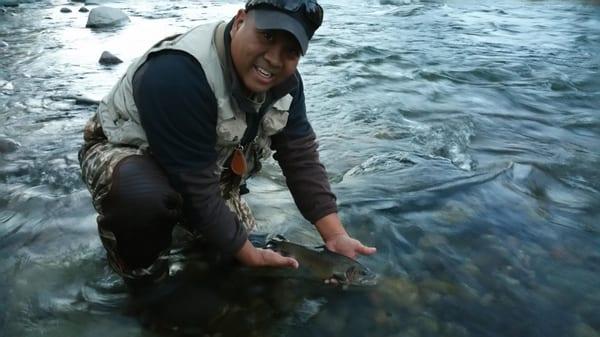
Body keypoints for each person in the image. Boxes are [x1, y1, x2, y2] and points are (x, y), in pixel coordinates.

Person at [78, 0, 376, 285]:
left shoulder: (287, 85)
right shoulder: (178, 72)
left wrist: (334, 236)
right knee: (142, 199)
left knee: (236, 263)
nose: (274, 58)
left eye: (290, 50)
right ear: (239, 21)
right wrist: (245, 252)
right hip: (127, 151)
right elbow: (193, 185)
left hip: (207, 170)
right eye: (267, 36)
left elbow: (300, 158)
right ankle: (137, 278)